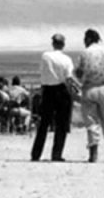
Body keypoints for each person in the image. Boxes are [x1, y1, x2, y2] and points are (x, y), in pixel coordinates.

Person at [75, 28, 104, 163]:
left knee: (91, 123)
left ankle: (93, 154)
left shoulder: (85, 53)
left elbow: (79, 72)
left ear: (89, 39)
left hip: (89, 88)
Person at [31, 33, 75, 162]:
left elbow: (43, 71)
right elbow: (68, 78)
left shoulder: (45, 56)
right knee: (61, 124)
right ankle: (56, 154)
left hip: (48, 91)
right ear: (63, 44)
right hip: (62, 90)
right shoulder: (67, 59)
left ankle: (36, 154)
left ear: (53, 43)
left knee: (43, 123)